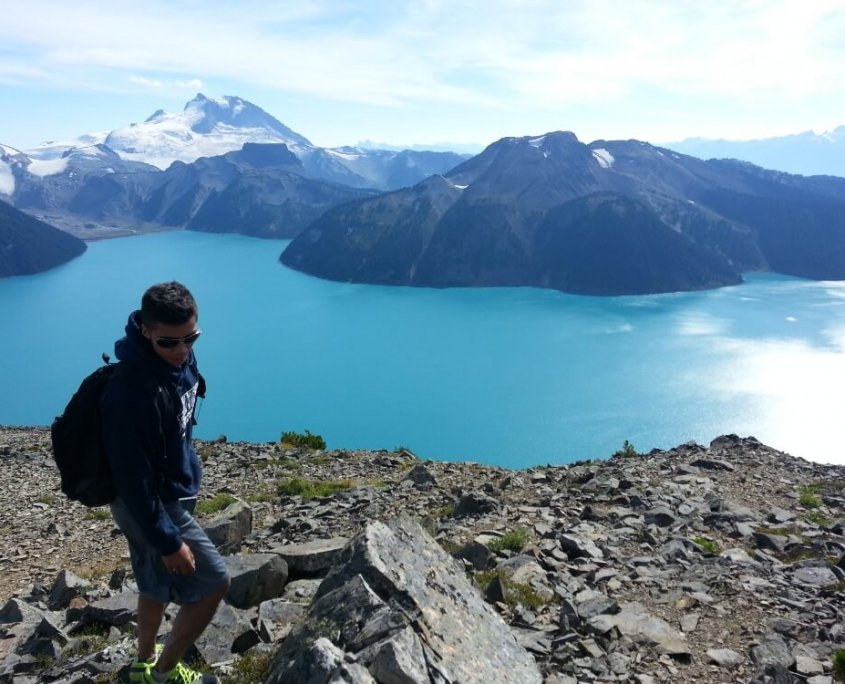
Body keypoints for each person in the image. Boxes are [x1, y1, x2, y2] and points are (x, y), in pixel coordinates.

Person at [100, 282, 229, 684]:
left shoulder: (178, 360)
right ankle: (164, 673)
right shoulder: (128, 394)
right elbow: (132, 481)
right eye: (168, 342)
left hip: (172, 491)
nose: (181, 350)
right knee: (214, 583)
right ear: (145, 331)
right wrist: (169, 541)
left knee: (153, 585)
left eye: (191, 338)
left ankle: (141, 667)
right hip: (152, 504)